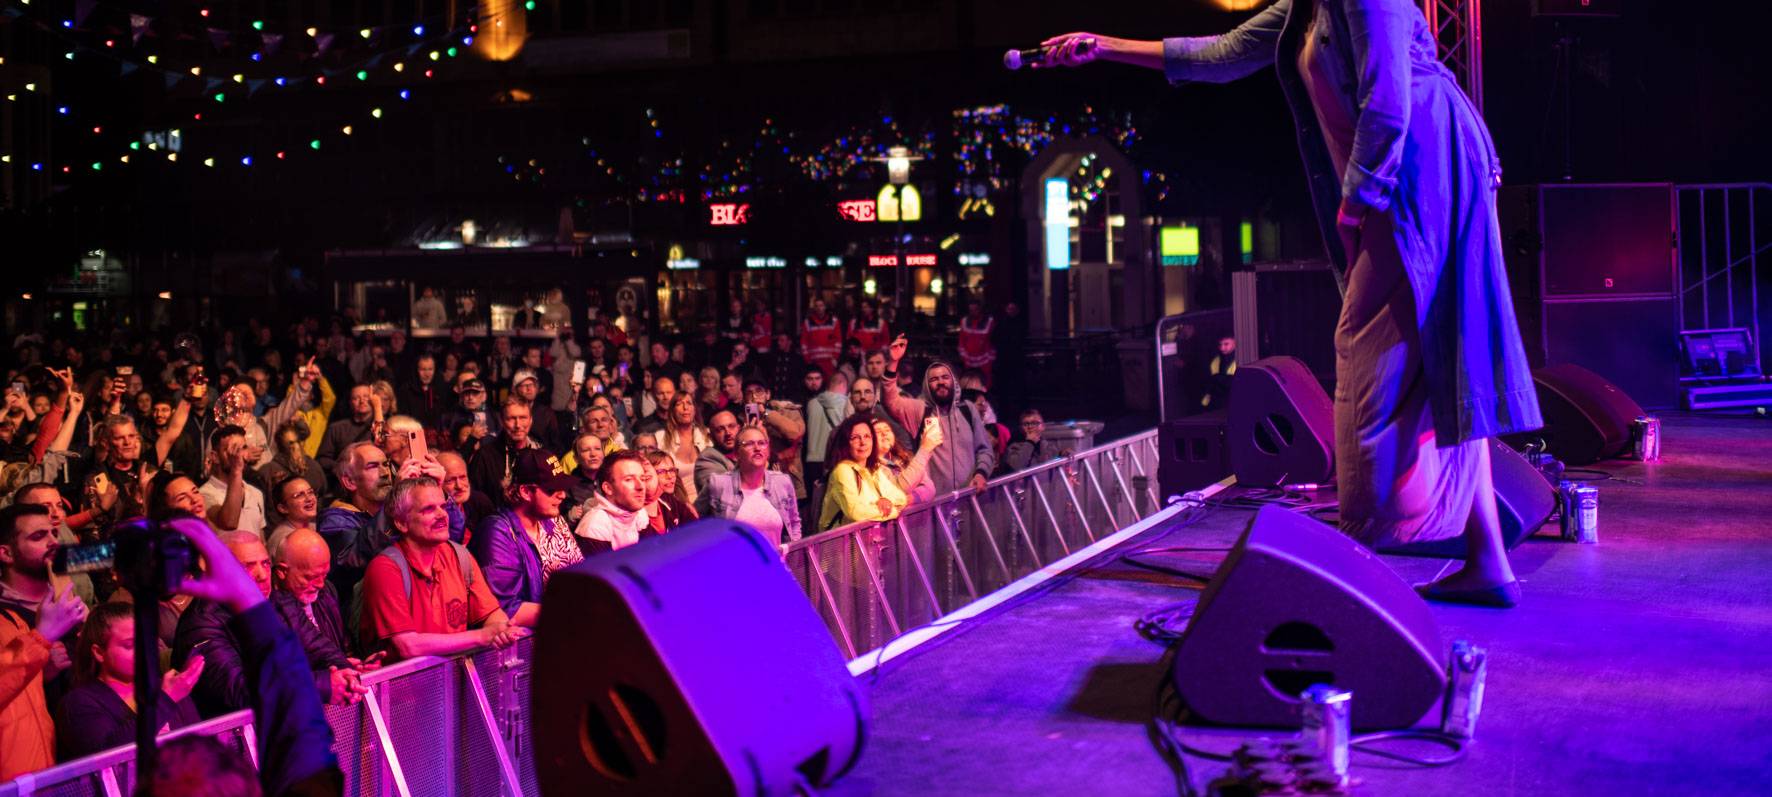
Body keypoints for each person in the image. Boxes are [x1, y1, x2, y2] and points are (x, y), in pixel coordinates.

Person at [1042, 1, 1542, 607]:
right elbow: (1221, 54)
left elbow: (1387, 101)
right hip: (1414, 165)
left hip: (1419, 164)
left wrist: (1358, 202)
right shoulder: (1305, 7)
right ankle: (1486, 559)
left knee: (1366, 352)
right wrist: (1108, 45)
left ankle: (1363, 566)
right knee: (1443, 350)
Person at [173, 532, 366, 717]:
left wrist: (344, 674)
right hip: (233, 744)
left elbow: (321, 649)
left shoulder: (280, 602)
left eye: (265, 563)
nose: (262, 575)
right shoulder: (200, 625)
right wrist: (322, 684)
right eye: (247, 566)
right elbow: (241, 690)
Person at [360, 477, 523, 659]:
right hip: (407, 684)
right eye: (428, 509)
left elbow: (493, 615)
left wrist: (501, 630)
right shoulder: (385, 568)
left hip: (453, 676)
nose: (442, 515)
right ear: (401, 523)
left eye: (443, 507)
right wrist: (482, 636)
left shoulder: (460, 556)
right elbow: (408, 647)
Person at [0, 505, 89, 780]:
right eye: (38, 536)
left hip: (61, 762)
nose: (53, 541)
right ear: (6, 553)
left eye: (53, 533)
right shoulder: (9, 616)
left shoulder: (69, 603)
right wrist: (44, 639)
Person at [56, 601, 203, 760]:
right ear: (99, 652)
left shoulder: (166, 686)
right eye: (130, 645)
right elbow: (108, 757)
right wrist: (165, 701)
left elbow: (203, 746)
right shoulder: (79, 703)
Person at [471, 451, 584, 630]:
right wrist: (572, 612)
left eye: (562, 487)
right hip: (523, 645)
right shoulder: (498, 532)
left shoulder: (554, 520)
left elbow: (580, 574)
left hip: (560, 629)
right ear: (525, 492)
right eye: (551, 489)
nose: (562, 495)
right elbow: (506, 609)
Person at [882, 338, 997, 495]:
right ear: (927, 386)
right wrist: (893, 363)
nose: (940, 382)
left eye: (945, 377)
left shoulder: (967, 410)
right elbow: (890, 401)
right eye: (934, 379)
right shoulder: (920, 411)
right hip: (935, 505)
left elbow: (985, 450)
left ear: (953, 381)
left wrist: (981, 474)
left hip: (971, 498)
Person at [272, 529, 370, 673]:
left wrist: (358, 665)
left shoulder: (327, 592)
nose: (320, 584)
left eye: (324, 575)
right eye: (311, 577)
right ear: (282, 571)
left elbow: (345, 646)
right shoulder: (268, 611)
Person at [699, 426, 802, 547]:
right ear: (736, 454)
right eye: (749, 444)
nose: (757, 448)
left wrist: (794, 553)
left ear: (768, 451)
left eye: (762, 443)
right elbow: (694, 519)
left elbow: (794, 523)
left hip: (776, 563)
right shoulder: (718, 484)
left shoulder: (782, 482)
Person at [317, 441, 392, 598]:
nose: (385, 473)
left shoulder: (394, 512)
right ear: (350, 482)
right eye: (372, 466)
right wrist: (395, 504)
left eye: (386, 464)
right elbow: (352, 563)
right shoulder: (335, 521)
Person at [819, 415, 905, 531]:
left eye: (867, 436)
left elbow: (901, 498)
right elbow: (855, 512)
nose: (863, 442)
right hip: (839, 546)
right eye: (855, 438)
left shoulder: (874, 469)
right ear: (846, 443)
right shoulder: (842, 470)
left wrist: (886, 500)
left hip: (864, 543)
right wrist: (892, 510)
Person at [575, 451, 655, 555]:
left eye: (642, 478)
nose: (640, 486)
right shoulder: (595, 525)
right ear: (608, 488)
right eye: (629, 479)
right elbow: (604, 570)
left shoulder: (640, 513)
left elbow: (655, 554)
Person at [469, 397, 543, 504]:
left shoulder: (542, 454)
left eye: (523, 418)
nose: (518, 425)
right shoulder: (485, 456)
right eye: (511, 419)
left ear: (531, 420)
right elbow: (474, 499)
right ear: (502, 421)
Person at [199, 425, 266, 536]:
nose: (239, 455)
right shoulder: (204, 494)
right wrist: (236, 470)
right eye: (232, 450)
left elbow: (260, 537)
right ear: (215, 457)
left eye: (243, 448)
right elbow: (229, 523)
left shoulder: (255, 493)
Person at [875, 417, 941, 506]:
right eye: (878, 432)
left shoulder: (905, 457)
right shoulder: (874, 467)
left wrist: (905, 500)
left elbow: (930, 488)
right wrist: (924, 449)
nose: (884, 434)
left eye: (887, 430)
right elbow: (900, 487)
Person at [315, 385, 375, 479]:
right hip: (345, 482)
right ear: (350, 403)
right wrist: (343, 468)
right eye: (356, 398)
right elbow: (322, 459)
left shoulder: (380, 426)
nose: (362, 401)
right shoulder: (337, 428)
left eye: (366, 397)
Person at [659, 393, 709, 506]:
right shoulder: (661, 439)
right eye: (679, 404)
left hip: (709, 501)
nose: (685, 407)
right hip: (678, 503)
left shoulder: (707, 436)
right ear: (672, 411)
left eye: (689, 403)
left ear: (694, 410)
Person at [803, 369, 850, 487]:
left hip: (811, 460)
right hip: (832, 460)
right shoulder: (846, 403)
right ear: (842, 384)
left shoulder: (811, 403)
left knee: (814, 501)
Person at [641, 450, 698, 532]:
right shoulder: (637, 510)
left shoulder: (674, 502)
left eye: (672, 470)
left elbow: (696, 530)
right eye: (661, 472)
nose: (669, 476)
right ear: (648, 475)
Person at [266, 476, 321, 558]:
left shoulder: (315, 527)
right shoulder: (285, 540)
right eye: (299, 495)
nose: (309, 498)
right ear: (283, 508)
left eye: (310, 492)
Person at [693, 410, 741, 498]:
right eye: (720, 430)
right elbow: (723, 492)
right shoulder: (706, 459)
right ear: (711, 437)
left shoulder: (745, 451)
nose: (728, 433)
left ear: (739, 428)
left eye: (731, 426)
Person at [956, 301, 997, 388]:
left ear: (980, 309)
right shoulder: (964, 321)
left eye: (975, 309)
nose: (973, 312)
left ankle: (985, 398)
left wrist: (991, 356)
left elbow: (994, 339)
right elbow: (961, 340)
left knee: (985, 382)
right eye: (971, 310)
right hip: (969, 358)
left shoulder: (989, 321)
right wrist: (963, 355)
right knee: (970, 381)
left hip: (985, 358)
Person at [800, 298, 842, 376]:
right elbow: (804, 342)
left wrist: (835, 357)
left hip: (829, 361)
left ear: (825, 307)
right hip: (814, 361)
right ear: (814, 308)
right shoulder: (807, 322)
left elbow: (838, 341)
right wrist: (807, 359)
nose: (819, 308)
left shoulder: (834, 321)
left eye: (821, 305)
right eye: (816, 306)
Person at [1202, 335, 1238, 410]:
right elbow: (1210, 385)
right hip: (1217, 405)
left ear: (1235, 343)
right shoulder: (1216, 360)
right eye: (1220, 344)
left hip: (1233, 403)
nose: (1222, 348)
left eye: (1226, 344)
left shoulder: (1241, 359)